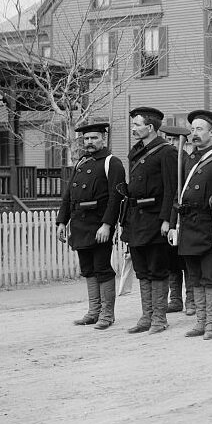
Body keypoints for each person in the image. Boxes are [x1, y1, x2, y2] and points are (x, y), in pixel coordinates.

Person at [169, 110, 212, 339]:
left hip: (209, 227)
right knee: (194, 276)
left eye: (200, 129)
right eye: (193, 129)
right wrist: (173, 224)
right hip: (188, 226)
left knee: (211, 276)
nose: (195, 133)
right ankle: (200, 322)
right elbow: (178, 194)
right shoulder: (189, 158)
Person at [56, 122, 126, 330]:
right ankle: (93, 312)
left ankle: (107, 314)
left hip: (99, 225)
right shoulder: (81, 163)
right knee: (88, 269)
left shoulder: (112, 163)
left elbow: (116, 197)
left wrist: (107, 225)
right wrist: (62, 221)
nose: (90, 142)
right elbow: (69, 195)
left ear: (103, 139)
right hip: (79, 225)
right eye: (86, 139)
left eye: (94, 138)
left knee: (102, 268)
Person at [123, 107, 178, 334]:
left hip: (155, 219)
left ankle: (159, 318)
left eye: (137, 125)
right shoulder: (136, 152)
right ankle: (147, 316)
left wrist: (167, 220)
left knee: (157, 269)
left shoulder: (167, 152)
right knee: (142, 270)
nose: (133, 129)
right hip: (135, 219)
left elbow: (171, 190)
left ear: (151, 128)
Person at [160, 124, 193, 315]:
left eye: (175, 140)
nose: (172, 143)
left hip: (184, 215)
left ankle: (191, 299)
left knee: (186, 262)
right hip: (170, 213)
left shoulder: (186, 161)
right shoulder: (168, 159)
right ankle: (175, 298)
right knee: (172, 261)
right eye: (169, 139)